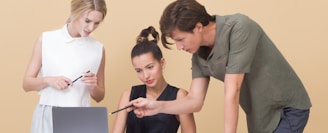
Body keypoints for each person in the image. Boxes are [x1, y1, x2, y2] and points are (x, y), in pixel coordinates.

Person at [129, 0, 312, 133]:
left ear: (198, 27)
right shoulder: (198, 53)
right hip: (259, 116)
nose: (179, 47)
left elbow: (233, 89)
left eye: (180, 39)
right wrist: (155, 106)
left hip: (286, 109)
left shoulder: (239, 27)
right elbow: (195, 101)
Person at [22, 0, 107, 132]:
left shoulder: (98, 49)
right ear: (75, 13)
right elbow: (26, 84)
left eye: (97, 23)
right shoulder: (46, 40)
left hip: (81, 118)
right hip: (48, 116)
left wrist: (92, 87)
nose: (91, 28)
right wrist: (48, 80)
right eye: (87, 21)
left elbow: (100, 96)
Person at [112, 26, 196, 133]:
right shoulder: (128, 95)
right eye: (139, 70)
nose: (145, 75)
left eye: (150, 67)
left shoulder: (180, 96)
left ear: (162, 63)